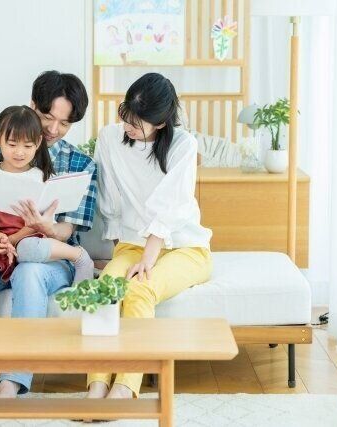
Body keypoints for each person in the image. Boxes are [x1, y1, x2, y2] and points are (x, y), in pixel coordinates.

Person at [0, 71, 97, 398]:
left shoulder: (81, 163)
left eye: (65, 123)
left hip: (44, 256)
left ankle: (13, 381)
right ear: (32, 106)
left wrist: (44, 227)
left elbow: (66, 231)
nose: (53, 129)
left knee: (29, 271)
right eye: (47, 117)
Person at [87, 73, 213, 399]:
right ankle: (96, 386)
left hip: (186, 248)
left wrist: (147, 259)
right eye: (126, 115)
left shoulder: (183, 145)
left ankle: (124, 388)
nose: (128, 126)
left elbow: (170, 206)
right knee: (104, 290)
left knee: (140, 289)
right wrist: (120, 255)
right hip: (132, 245)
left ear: (161, 122)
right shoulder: (110, 138)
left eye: (138, 122)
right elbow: (109, 201)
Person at [0, 105, 94, 285]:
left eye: (27, 146)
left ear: (38, 143)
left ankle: (79, 256)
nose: (19, 152)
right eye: (12, 145)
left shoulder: (42, 178)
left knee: (28, 249)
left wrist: (13, 239)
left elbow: (37, 222)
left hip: (27, 239)